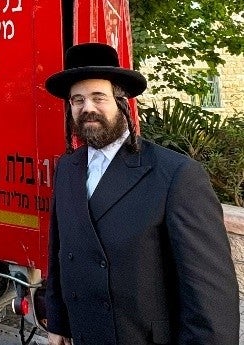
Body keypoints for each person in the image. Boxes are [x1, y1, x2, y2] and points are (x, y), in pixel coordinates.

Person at [43, 42, 239, 345]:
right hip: (83, 334)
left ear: (122, 103)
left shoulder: (175, 174)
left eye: (99, 97)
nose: (88, 108)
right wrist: (58, 322)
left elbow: (210, 297)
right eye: (77, 100)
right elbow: (60, 254)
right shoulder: (68, 168)